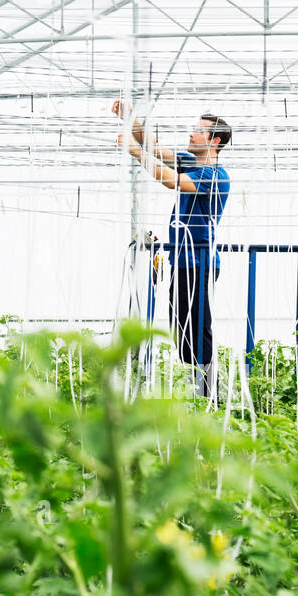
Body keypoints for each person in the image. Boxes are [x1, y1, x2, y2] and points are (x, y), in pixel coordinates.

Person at [113, 101, 231, 398]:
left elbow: (171, 181)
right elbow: (155, 147)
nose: (191, 135)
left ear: (214, 141)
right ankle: (194, 387)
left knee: (198, 328)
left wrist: (134, 152)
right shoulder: (191, 161)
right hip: (181, 260)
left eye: (198, 132)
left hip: (201, 261)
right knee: (181, 327)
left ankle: (208, 395)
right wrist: (131, 120)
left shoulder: (216, 175)